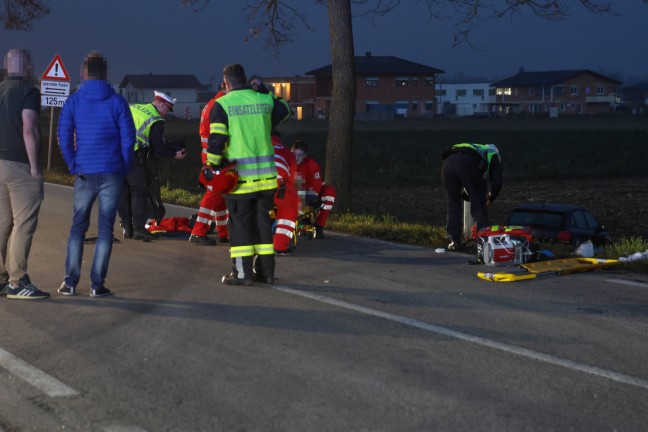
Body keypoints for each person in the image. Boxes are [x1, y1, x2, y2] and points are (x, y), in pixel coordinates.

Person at [57, 51, 136, 297]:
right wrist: (122, 166)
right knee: (105, 230)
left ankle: (70, 283)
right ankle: (96, 285)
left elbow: (63, 136)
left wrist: (73, 163)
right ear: (105, 74)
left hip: (83, 172)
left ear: (84, 73)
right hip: (111, 172)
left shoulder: (74, 101)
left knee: (77, 227)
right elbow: (128, 139)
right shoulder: (117, 102)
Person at [206, 63, 291, 285]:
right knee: (262, 224)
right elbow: (286, 109)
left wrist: (212, 167)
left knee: (240, 225)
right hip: (267, 180)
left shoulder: (222, 105)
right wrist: (265, 91)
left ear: (226, 83)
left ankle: (242, 274)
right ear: (244, 80)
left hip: (239, 181)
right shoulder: (264, 100)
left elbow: (216, 142)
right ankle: (266, 273)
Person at [0, 49, 49, 300]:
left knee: (2, 223)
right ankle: (17, 282)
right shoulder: (28, 92)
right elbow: (28, 129)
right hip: (19, 166)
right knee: (23, 224)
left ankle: (1, 278)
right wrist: (34, 167)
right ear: (27, 67)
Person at [118, 91, 187, 241]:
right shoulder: (156, 119)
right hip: (133, 157)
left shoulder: (134, 107)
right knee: (139, 191)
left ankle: (127, 228)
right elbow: (158, 148)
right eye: (167, 109)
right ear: (161, 104)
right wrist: (175, 155)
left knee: (123, 192)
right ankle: (138, 229)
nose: (166, 114)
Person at [440, 143, 502, 250]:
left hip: (447, 165)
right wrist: (491, 198)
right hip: (466, 164)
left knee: (453, 203)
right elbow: (496, 183)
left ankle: (453, 241)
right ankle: (483, 242)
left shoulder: (472, 148)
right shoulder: (493, 154)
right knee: (478, 204)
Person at [188, 85, 229, 246]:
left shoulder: (213, 103)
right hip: (216, 155)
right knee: (213, 194)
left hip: (210, 154)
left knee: (219, 197)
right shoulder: (220, 105)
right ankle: (198, 232)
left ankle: (223, 233)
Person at [291, 140, 336, 239]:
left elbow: (316, 186)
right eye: (294, 154)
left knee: (329, 192)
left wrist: (308, 198)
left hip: (309, 194)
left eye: (300, 155)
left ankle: (319, 226)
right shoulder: (286, 162)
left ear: (305, 155)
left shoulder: (312, 165)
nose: (296, 158)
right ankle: (299, 224)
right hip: (290, 194)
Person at [270, 130, 298, 254]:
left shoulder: (254, 146)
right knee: (290, 208)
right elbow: (293, 179)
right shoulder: (287, 152)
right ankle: (280, 246)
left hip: (253, 186)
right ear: (279, 139)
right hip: (276, 187)